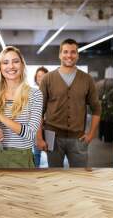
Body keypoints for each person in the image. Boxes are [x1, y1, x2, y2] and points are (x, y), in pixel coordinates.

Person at [37, 39, 101, 169]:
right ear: (60, 55)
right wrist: (39, 138)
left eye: (73, 52)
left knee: (80, 176)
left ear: (77, 55)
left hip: (78, 138)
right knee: (54, 176)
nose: (69, 55)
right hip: (51, 136)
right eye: (65, 52)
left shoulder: (87, 79)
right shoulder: (48, 79)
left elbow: (97, 109)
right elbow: (39, 110)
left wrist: (91, 134)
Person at [0, 46, 43, 169]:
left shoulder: (35, 94)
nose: (11, 66)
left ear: (22, 65)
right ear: (0, 68)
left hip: (22, 158)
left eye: (15, 61)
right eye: (5, 62)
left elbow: (30, 134)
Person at [32, 66, 49, 168]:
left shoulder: (52, 92)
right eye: (39, 76)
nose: (41, 78)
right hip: (36, 128)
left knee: (50, 153)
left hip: (49, 128)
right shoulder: (33, 93)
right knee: (36, 153)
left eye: (43, 76)